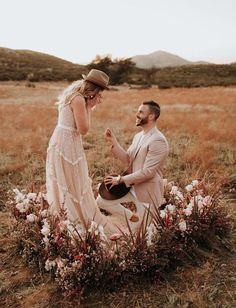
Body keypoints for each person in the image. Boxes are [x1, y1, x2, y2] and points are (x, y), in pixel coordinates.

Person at [46, 69, 127, 235]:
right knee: (72, 182)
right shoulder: (78, 100)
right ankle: (75, 220)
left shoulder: (73, 94)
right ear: (94, 91)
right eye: (99, 94)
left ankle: (66, 217)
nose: (100, 98)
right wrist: (90, 107)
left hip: (63, 140)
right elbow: (83, 129)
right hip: (66, 145)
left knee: (67, 181)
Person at [97, 100, 169, 227]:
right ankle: (131, 217)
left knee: (142, 235)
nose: (137, 114)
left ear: (151, 116)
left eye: (141, 112)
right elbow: (128, 160)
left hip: (148, 193)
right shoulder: (138, 136)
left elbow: (148, 172)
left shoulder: (158, 140)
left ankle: (140, 227)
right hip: (132, 188)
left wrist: (121, 180)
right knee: (101, 201)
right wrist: (114, 142)